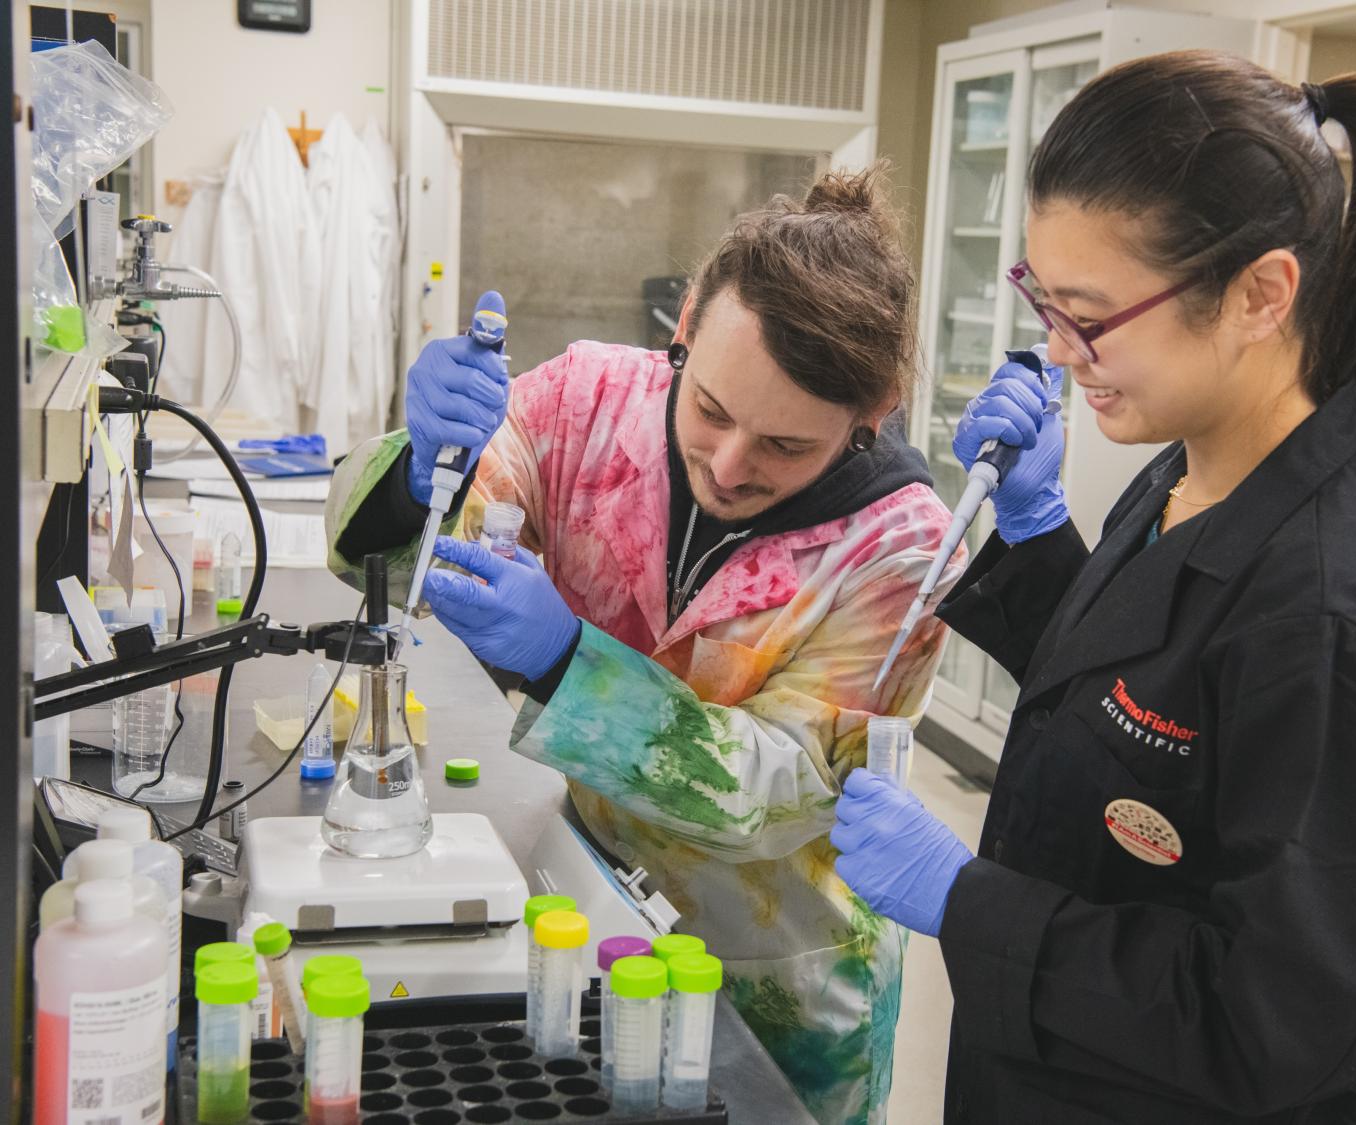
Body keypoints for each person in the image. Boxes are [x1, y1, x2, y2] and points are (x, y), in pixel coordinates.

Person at [831, 51, 1356, 1124]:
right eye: (1044, 298)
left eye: (1090, 313)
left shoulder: (1341, 609)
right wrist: (1037, 538)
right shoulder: (1196, 466)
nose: (1058, 349)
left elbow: (1279, 1023)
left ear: (1260, 294)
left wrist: (967, 902)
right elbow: (1151, 711)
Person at [325, 166, 963, 1124]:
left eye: (787, 447)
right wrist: (421, 473)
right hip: (591, 902)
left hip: (776, 977)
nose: (731, 463)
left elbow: (780, 790)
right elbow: (423, 546)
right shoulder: (584, 399)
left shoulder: (905, 550)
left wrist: (565, 664)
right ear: (688, 321)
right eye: (710, 406)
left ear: (872, 415)